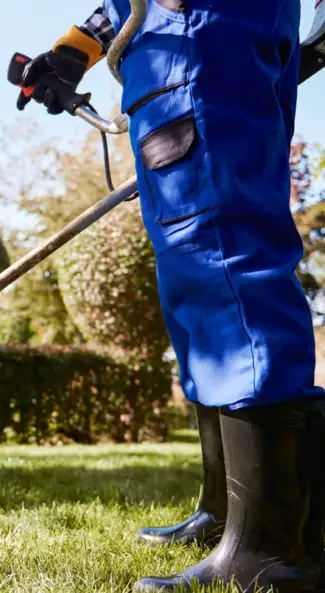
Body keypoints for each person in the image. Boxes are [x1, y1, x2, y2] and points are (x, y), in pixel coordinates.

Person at [17, 1, 325, 591]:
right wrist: (72, 51)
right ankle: (229, 514)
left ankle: (268, 547)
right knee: (193, 280)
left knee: (222, 257)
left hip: (202, 29)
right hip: (177, 39)